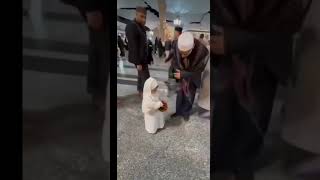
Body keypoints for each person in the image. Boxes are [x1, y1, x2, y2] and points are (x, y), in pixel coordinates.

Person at [211, 0, 313, 179]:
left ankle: (239, 164)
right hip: (229, 67)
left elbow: (286, 29)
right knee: (224, 120)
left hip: (260, 69)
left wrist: (234, 40)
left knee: (249, 128)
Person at [60, 0, 109, 111]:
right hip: (97, 8)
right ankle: (99, 93)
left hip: (99, 9)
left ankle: (99, 93)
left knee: (101, 48)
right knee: (102, 49)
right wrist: (90, 7)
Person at [171, 32, 209, 121]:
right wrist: (175, 74)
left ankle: (186, 112)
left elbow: (199, 70)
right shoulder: (176, 45)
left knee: (190, 95)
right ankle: (178, 111)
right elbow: (174, 62)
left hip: (193, 76)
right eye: (181, 53)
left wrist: (183, 74)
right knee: (180, 93)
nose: (182, 56)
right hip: (180, 73)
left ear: (192, 48)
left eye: (185, 53)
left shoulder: (202, 52)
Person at [125, 7, 150, 98]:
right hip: (139, 59)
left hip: (142, 57)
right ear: (136, 14)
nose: (144, 19)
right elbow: (133, 46)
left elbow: (142, 43)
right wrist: (138, 62)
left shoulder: (140, 26)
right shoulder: (131, 26)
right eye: (142, 16)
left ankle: (141, 91)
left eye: (145, 17)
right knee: (146, 78)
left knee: (141, 76)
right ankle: (146, 96)